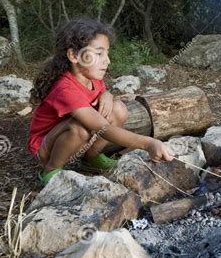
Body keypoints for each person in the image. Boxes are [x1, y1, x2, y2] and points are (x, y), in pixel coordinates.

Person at [28, 18, 173, 185]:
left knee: (118, 109)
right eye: (99, 53)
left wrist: (107, 95)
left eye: (107, 53)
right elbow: (102, 128)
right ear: (74, 55)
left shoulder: (92, 78)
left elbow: (102, 94)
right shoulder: (65, 89)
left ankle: (91, 158)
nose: (107, 60)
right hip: (45, 147)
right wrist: (148, 143)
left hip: (71, 139)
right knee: (80, 127)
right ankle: (51, 170)